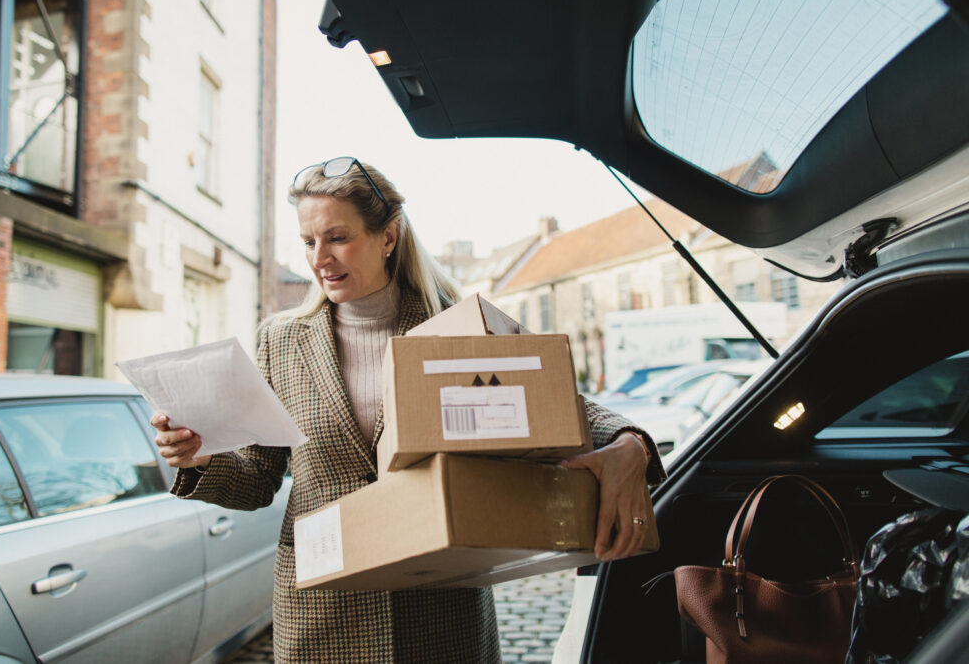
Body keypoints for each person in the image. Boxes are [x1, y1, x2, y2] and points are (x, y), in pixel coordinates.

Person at [152, 157, 667, 663]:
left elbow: (554, 399)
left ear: (388, 236)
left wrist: (631, 442)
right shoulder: (280, 341)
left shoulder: (457, 323)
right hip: (324, 613)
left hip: (439, 604)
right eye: (308, 242)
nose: (319, 258)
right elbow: (259, 479)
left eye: (337, 237)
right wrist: (201, 459)